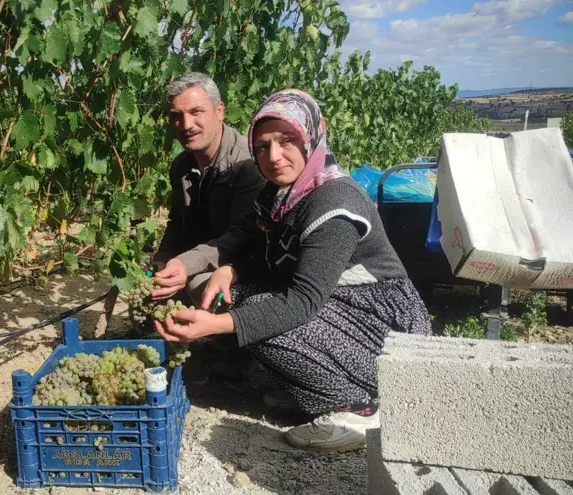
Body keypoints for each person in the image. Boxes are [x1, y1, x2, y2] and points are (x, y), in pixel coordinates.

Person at [154, 89, 432, 453]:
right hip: (344, 309)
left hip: (388, 330)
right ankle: (320, 386)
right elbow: (273, 256)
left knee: (257, 319)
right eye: (263, 146)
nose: (274, 156)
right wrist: (231, 271)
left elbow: (300, 302)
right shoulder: (280, 194)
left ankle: (357, 408)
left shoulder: (335, 203)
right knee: (241, 300)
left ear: (312, 137)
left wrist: (216, 327)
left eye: (288, 141)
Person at [149, 72, 266, 308]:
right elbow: (177, 223)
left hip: (251, 264)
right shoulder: (181, 166)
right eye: (176, 116)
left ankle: (229, 340)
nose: (186, 125)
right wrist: (162, 260)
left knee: (199, 285)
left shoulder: (249, 165)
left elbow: (241, 237)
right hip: (212, 255)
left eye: (196, 112)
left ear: (220, 111)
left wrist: (185, 264)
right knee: (158, 285)